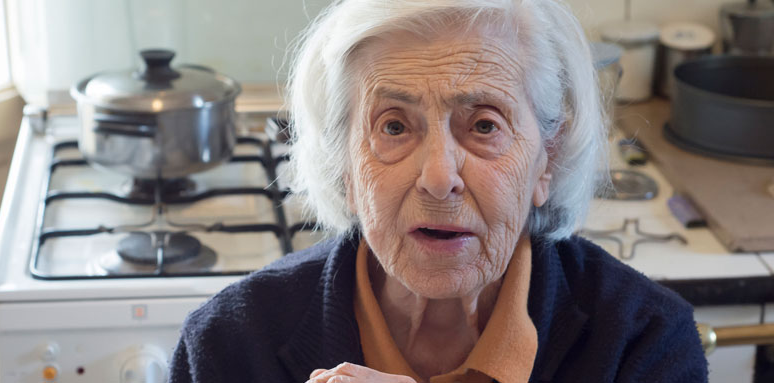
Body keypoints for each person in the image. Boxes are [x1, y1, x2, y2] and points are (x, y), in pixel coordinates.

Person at [168, 0, 707, 382]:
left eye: (484, 125)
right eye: (395, 127)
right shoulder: (230, 346)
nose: (438, 176)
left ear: (548, 158)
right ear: (345, 166)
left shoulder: (642, 344)